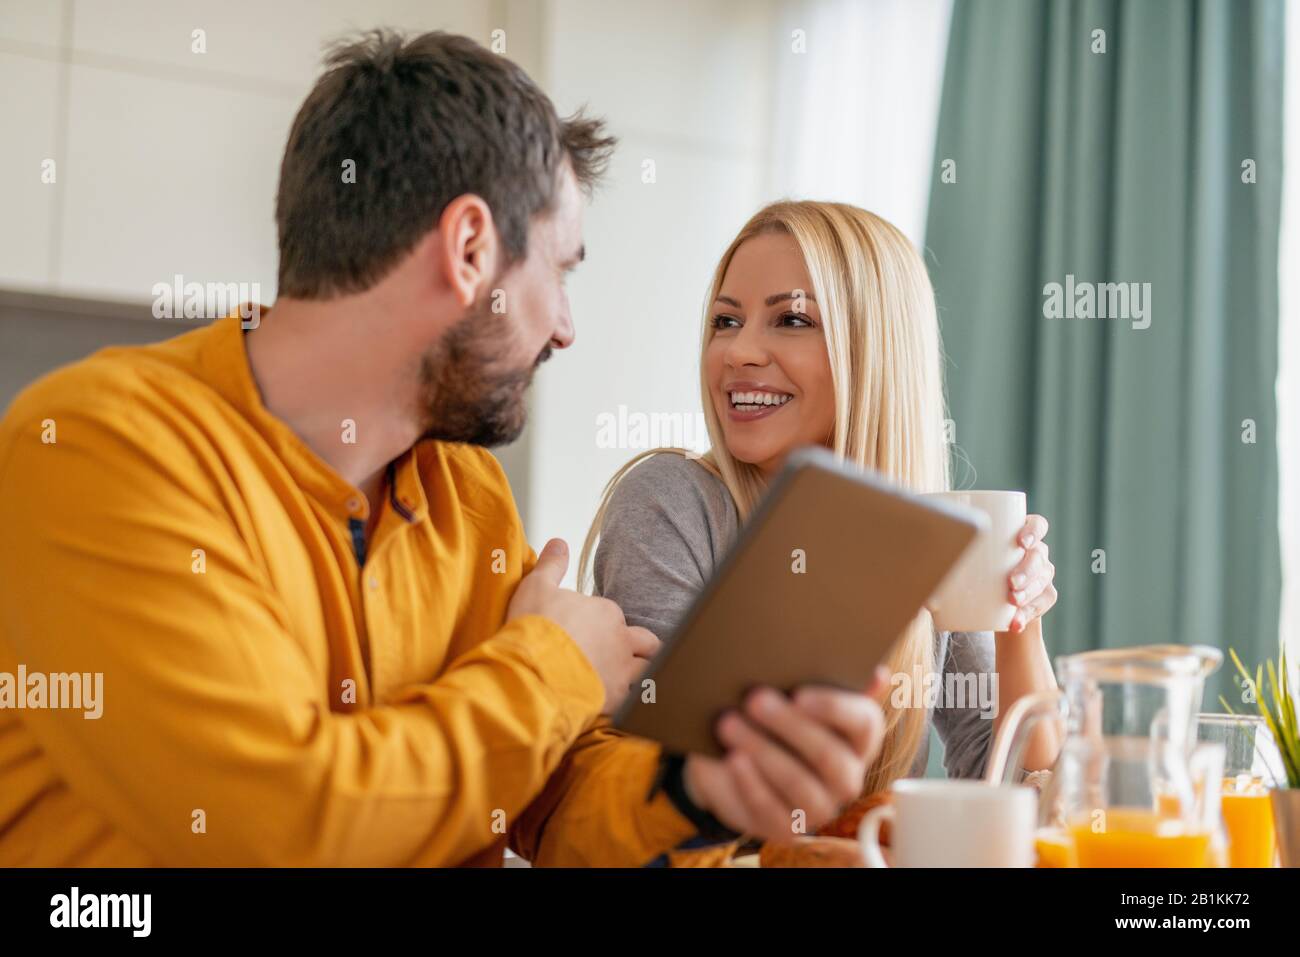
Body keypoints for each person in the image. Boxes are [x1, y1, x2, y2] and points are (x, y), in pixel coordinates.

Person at [0, 32, 886, 867]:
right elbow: (285, 825)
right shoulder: (99, 449)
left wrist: (699, 786)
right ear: (468, 249)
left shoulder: (464, 489)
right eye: (561, 270)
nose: (567, 329)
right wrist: (556, 664)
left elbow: (547, 794)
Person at [580, 200, 1063, 855]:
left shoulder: (921, 536)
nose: (739, 351)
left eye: (792, 319)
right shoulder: (672, 503)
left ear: (874, 350)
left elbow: (1012, 791)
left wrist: (1018, 622)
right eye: (726, 320)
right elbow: (668, 794)